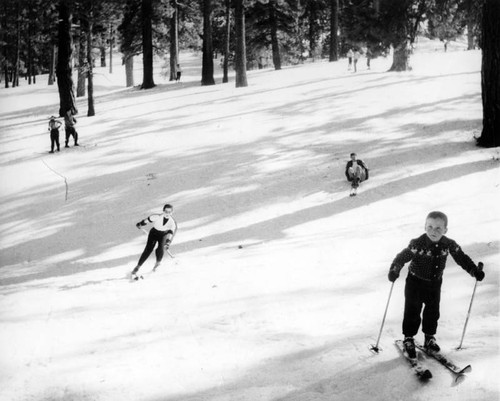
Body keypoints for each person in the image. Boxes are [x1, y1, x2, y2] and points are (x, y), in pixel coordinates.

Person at [388, 211, 485, 359]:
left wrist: (473, 270)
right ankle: (408, 338)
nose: (433, 231)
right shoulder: (417, 244)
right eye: (430, 227)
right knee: (412, 311)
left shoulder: (449, 244)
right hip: (415, 282)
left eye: (438, 228)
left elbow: (461, 258)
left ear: (445, 230)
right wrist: (395, 269)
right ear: (425, 227)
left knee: (432, 312)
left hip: (434, 284)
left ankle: (429, 338)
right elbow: (402, 257)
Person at [131, 203, 178, 280]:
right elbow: (147, 220)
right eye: (166, 211)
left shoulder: (172, 222)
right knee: (148, 249)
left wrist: (168, 242)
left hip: (163, 235)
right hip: (154, 233)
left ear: (172, 212)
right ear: (163, 211)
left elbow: (170, 233)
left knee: (160, 249)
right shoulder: (156, 216)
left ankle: (157, 263)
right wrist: (140, 224)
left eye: (169, 212)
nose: (167, 213)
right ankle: (138, 266)